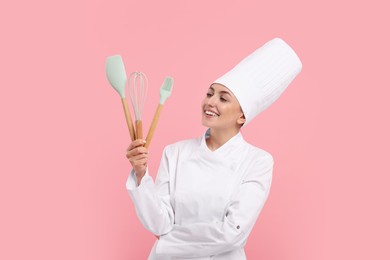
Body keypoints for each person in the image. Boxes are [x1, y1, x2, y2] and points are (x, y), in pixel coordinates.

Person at [125, 37, 302, 259]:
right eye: (209, 94)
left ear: (242, 115)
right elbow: (159, 223)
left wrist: (168, 241)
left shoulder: (257, 161)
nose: (210, 102)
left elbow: (233, 233)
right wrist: (141, 174)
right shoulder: (175, 152)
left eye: (223, 98)